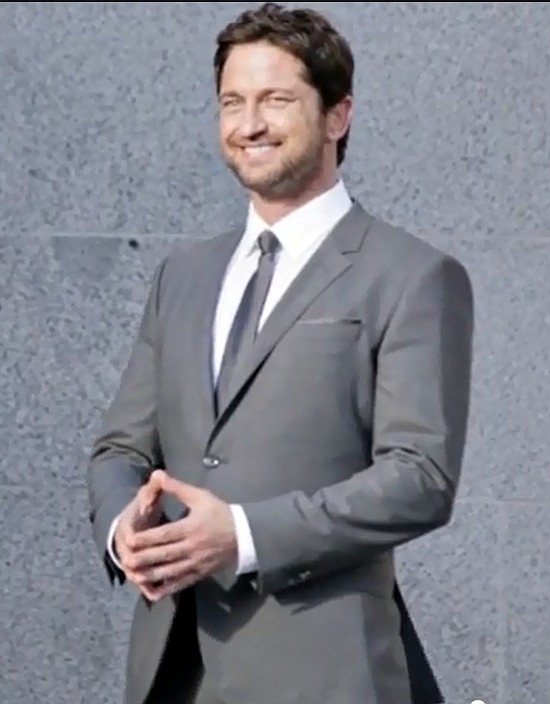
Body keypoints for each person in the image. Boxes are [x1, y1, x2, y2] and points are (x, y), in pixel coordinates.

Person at [85, 4, 475, 704]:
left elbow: (420, 478)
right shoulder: (181, 276)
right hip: (172, 670)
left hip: (324, 674)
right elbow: (121, 447)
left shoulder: (412, 275)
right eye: (231, 102)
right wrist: (125, 531)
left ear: (337, 115)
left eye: (276, 100)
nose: (249, 123)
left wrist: (242, 535)